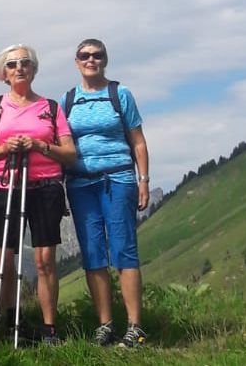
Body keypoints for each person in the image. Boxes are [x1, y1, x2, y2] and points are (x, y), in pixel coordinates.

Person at [0, 44, 76, 345]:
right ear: (4, 73)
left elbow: (69, 153)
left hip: (46, 186)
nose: (19, 68)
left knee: (44, 260)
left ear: (33, 68)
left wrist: (41, 147)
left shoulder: (50, 108)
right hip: (7, 185)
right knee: (2, 261)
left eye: (25, 63)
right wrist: (5, 148)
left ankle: (49, 329)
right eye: (12, 64)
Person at [62, 39, 151, 348]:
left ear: (105, 60)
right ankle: (105, 325)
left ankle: (135, 327)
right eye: (85, 55)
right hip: (80, 183)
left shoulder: (120, 94)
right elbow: (64, 144)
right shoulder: (68, 100)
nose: (91, 60)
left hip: (119, 179)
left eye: (97, 55)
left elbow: (138, 141)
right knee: (93, 254)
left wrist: (143, 180)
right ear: (76, 62)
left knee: (125, 250)